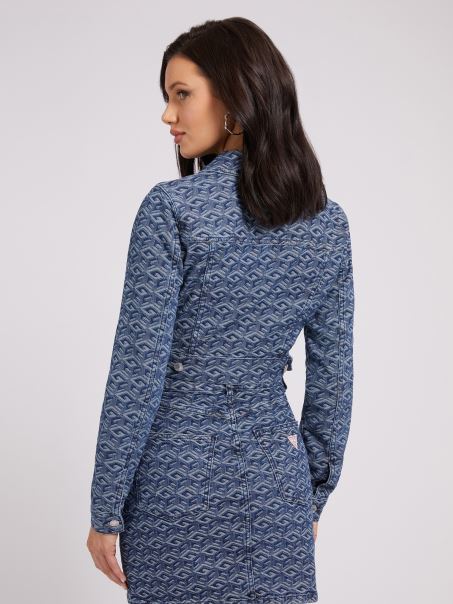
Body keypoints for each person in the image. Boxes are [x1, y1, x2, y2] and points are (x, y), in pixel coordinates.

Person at [86, 16, 354, 604]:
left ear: (236, 97)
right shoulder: (327, 226)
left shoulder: (172, 211)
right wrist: (310, 495)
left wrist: (106, 507)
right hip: (275, 486)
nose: (168, 115)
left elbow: (137, 372)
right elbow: (333, 382)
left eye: (182, 94)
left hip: (176, 485)